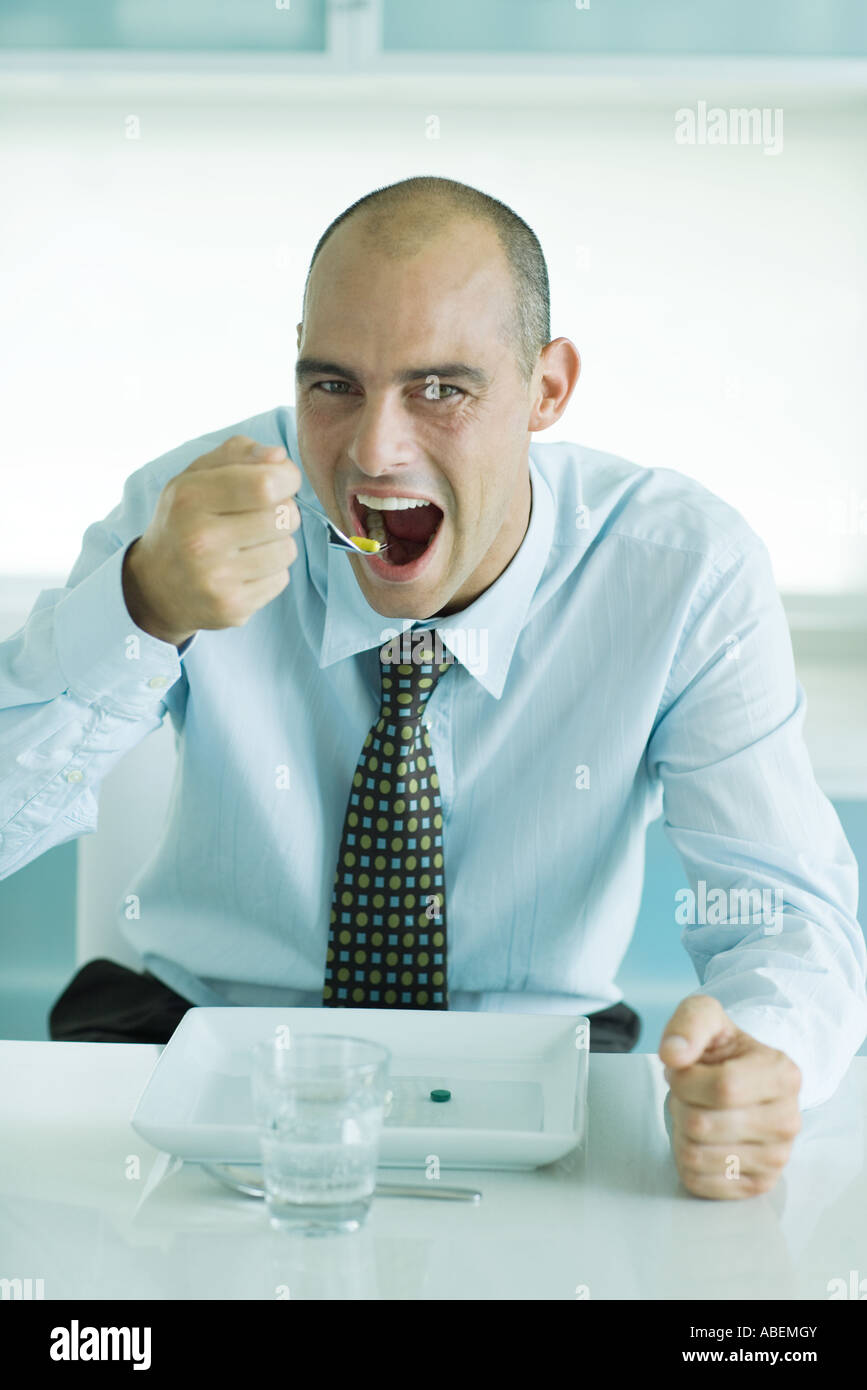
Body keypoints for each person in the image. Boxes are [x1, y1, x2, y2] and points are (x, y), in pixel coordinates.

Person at [1, 176, 865, 1201]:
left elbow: (782, 913)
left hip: (537, 1064)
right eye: (333, 386)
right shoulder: (186, 510)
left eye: (441, 390)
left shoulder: (682, 568)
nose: (373, 450)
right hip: (197, 1044)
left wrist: (768, 1056)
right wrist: (140, 606)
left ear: (547, 390)